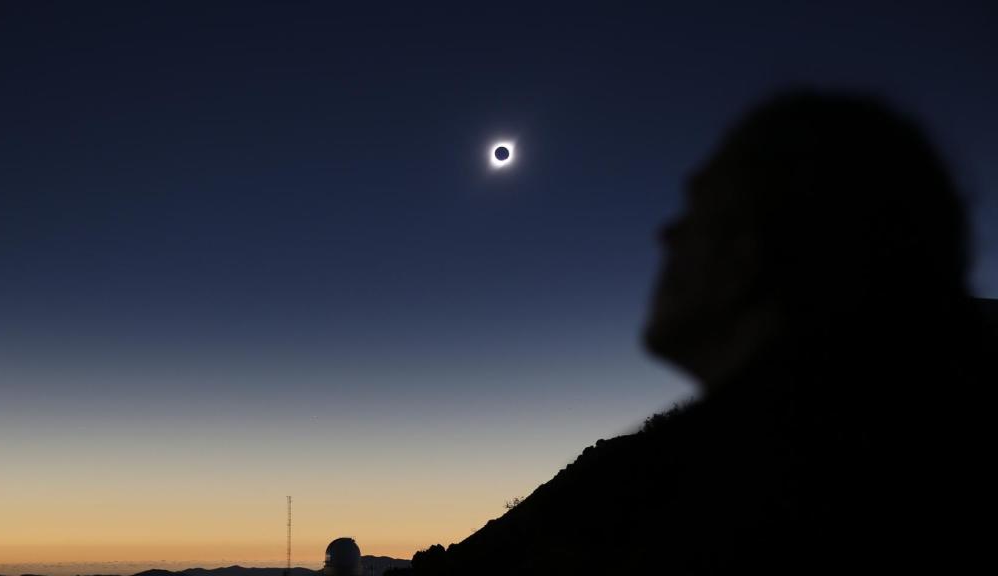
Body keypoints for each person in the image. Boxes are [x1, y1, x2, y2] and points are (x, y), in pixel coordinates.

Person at [408, 90, 989, 575]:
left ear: (754, 250)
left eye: (700, 209)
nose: (667, 234)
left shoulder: (684, 502)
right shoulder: (917, 447)